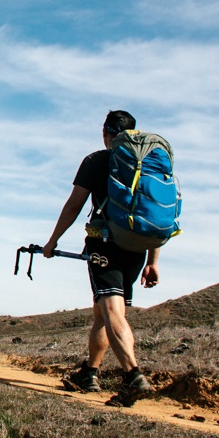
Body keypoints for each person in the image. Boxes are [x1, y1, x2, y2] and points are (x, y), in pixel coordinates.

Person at [43, 110, 158, 407]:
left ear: (106, 132)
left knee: (111, 313)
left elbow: (74, 206)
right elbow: (155, 218)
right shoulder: (147, 166)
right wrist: (152, 261)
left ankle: (133, 377)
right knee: (101, 313)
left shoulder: (96, 161)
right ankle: (89, 373)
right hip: (137, 248)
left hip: (104, 246)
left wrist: (53, 240)